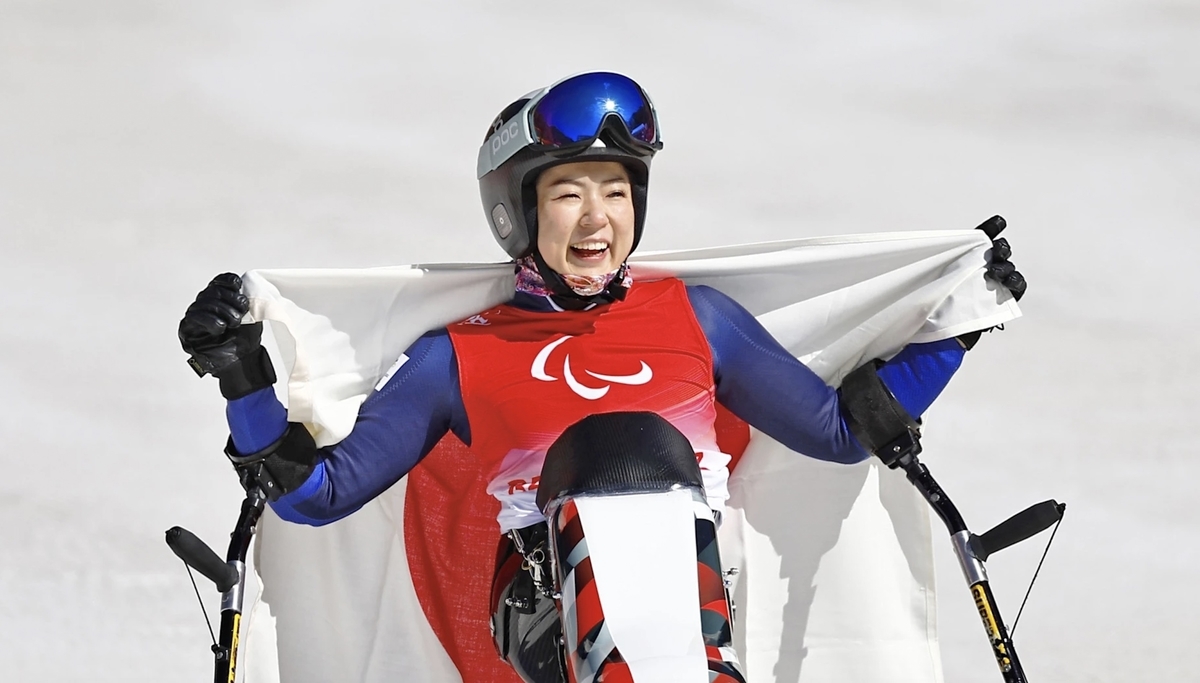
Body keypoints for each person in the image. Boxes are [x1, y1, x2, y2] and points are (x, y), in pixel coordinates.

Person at [178, 72, 1026, 683]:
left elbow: (840, 431)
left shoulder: (698, 319)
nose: (598, 219)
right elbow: (316, 495)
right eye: (569, 194)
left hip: (688, 623)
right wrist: (241, 372)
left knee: (644, 458)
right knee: (613, 454)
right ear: (518, 210)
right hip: (546, 627)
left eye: (617, 192)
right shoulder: (460, 354)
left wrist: (959, 321)